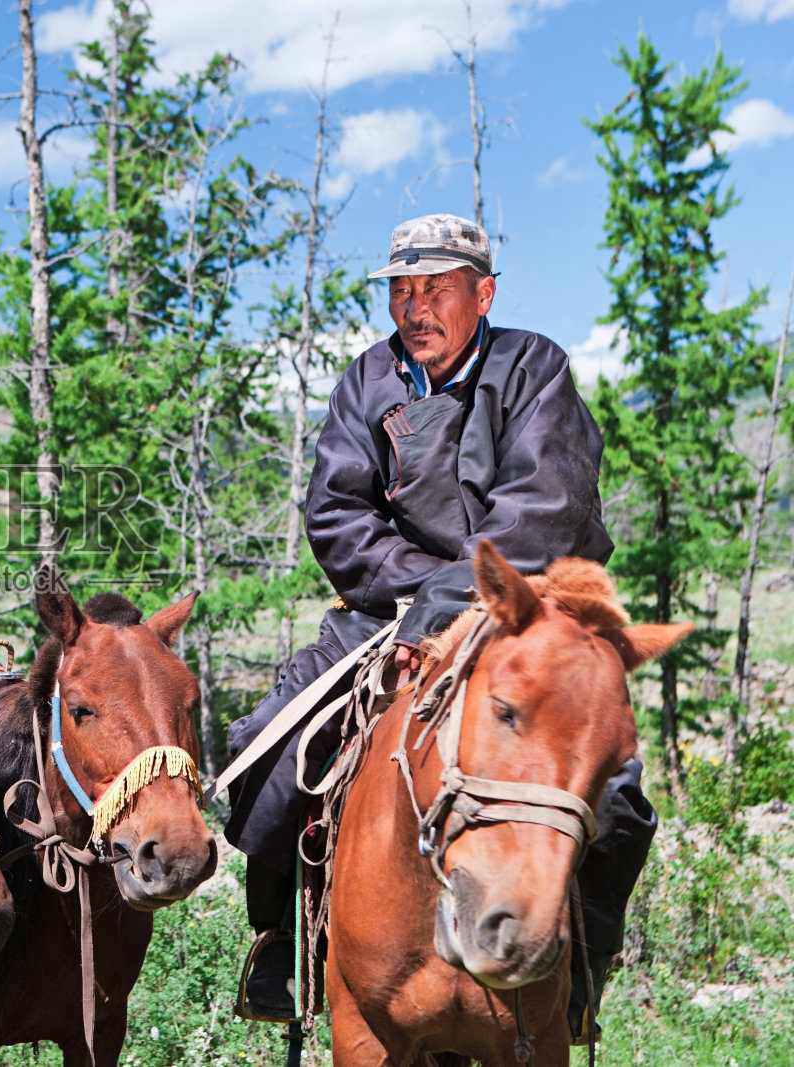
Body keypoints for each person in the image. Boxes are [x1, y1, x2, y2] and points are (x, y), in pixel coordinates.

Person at [224, 213, 655, 1039]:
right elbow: (336, 513)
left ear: (482, 292)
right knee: (272, 754)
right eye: (401, 290)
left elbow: (542, 507)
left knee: (620, 802)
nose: (414, 307)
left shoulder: (534, 368)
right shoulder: (366, 382)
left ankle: (581, 971)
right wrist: (424, 594)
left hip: (522, 612)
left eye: (436, 289)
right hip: (386, 614)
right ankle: (283, 942)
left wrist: (460, 599)